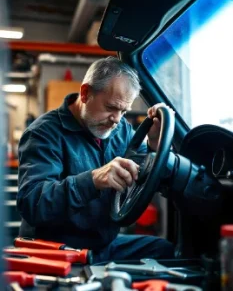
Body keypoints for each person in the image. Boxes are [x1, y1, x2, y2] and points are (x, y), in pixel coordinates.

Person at [17, 56, 174, 263]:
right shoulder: (43, 134)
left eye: (123, 111)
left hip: (103, 245)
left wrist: (154, 144)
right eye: (110, 108)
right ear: (85, 93)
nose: (117, 119)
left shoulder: (121, 130)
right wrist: (92, 180)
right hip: (58, 251)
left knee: (166, 251)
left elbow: (144, 170)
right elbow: (33, 202)